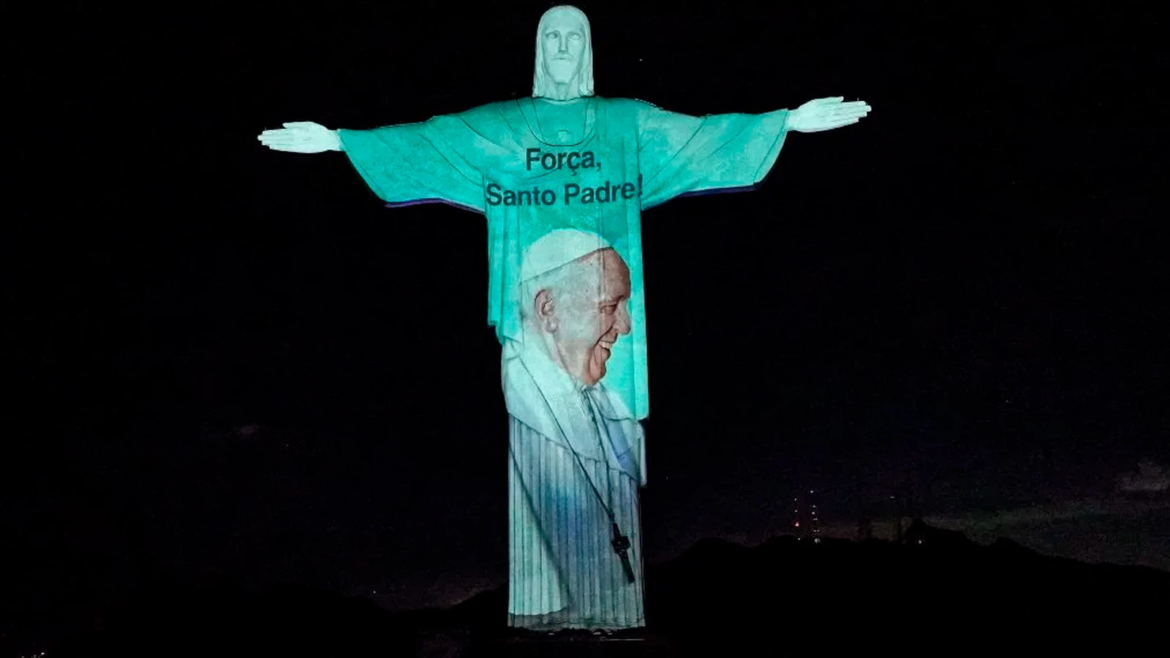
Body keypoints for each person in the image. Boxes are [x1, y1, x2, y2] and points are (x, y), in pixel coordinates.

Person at [258, 5, 872, 630]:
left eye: (571, 37)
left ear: (586, 51)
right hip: (531, 363)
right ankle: (548, 616)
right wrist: (339, 140)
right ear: (535, 47)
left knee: (614, 464)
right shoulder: (503, 130)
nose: (559, 46)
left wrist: (788, 123)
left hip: (610, 379)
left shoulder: (622, 125)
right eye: (549, 35)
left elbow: (698, 137)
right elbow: (429, 140)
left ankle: (608, 612)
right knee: (545, 478)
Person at [505, 229, 644, 629]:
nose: (626, 325)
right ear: (549, 309)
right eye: (610, 305)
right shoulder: (521, 400)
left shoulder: (602, 398)